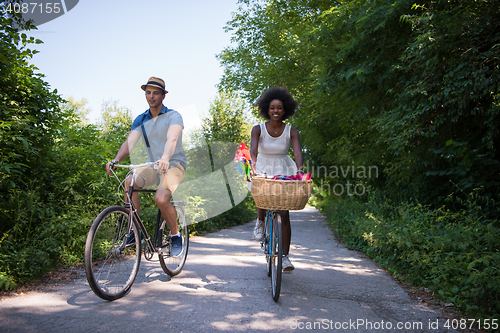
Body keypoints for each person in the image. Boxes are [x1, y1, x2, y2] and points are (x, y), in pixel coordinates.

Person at [106, 76, 187, 256]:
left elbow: (172, 139)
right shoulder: (141, 119)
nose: (151, 96)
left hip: (174, 165)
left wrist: (165, 157)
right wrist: (116, 160)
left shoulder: (173, 116)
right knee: (130, 182)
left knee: (160, 199)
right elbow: (129, 144)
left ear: (163, 96)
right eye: (148, 93)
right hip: (153, 166)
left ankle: (175, 235)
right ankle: (134, 233)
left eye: (155, 93)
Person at [249, 86, 303, 271]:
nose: (276, 111)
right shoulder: (258, 129)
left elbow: (297, 152)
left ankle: (285, 257)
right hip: (263, 165)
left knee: (285, 213)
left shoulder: (291, 131)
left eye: (279, 107)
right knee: (261, 193)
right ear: (267, 109)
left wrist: (300, 171)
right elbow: (253, 150)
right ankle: (261, 221)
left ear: (285, 110)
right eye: (272, 107)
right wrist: (253, 166)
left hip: (283, 168)